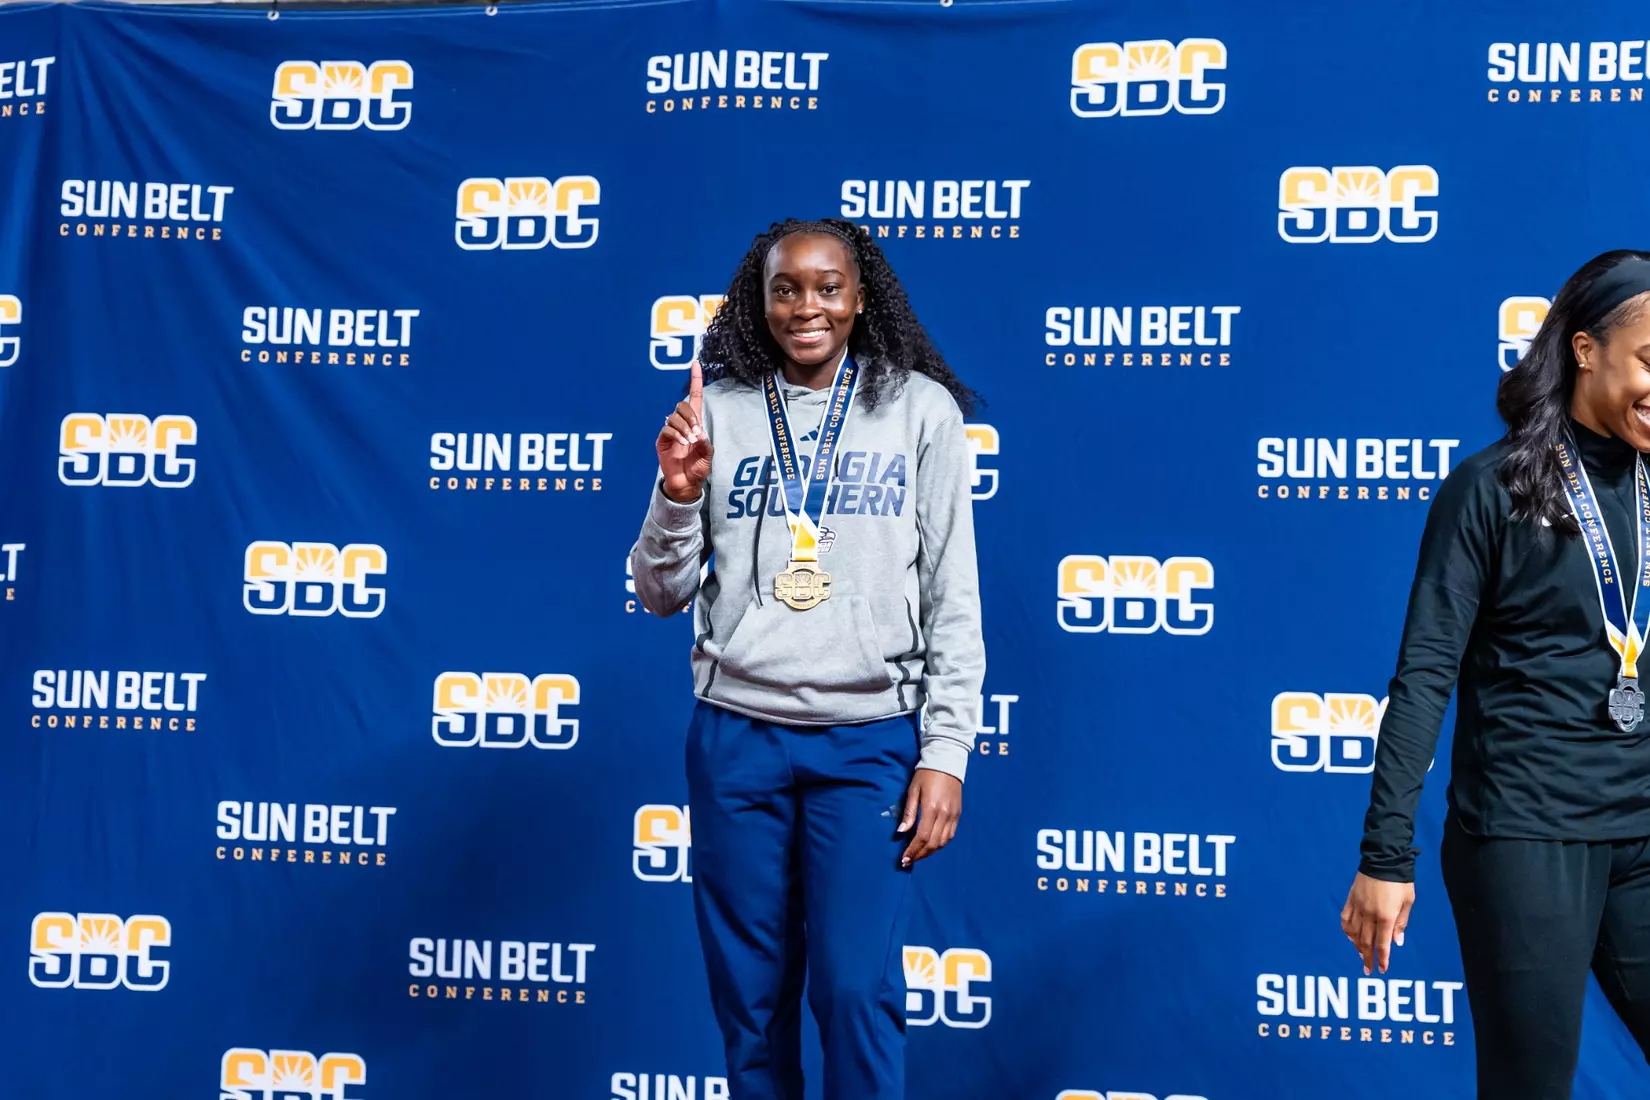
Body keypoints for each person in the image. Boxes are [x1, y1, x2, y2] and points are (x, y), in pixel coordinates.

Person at [628, 217, 985, 1100]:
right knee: (750, 1004)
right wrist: (677, 494)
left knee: (856, 989)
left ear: (862, 299)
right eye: (785, 288)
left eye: (828, 287)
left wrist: (946, 752)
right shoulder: (720, 410)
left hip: (867, 741)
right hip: (737, 738)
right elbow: (660, 592)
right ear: (759, 302)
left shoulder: (919, 410)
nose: (807, 306)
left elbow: (953, 595)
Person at [1342, 249, 1650, 1098]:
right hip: (1524, 838)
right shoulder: (1489, 489)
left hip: (1641, 832)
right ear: (1585, 350)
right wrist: (1385, 855)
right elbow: (1423, 676)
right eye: (1649, 360)